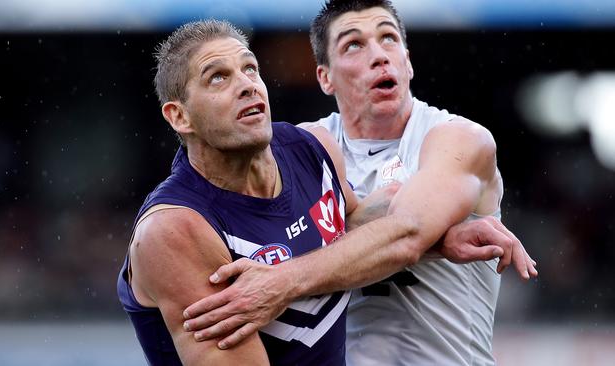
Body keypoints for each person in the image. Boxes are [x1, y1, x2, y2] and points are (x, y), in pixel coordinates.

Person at [117, 18, 532, 366]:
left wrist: (438, 241)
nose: (247, 86)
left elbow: (347, 225)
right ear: (179, 116)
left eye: (250, 69)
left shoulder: (309, 150)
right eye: (218, 78)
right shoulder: (174, 230)